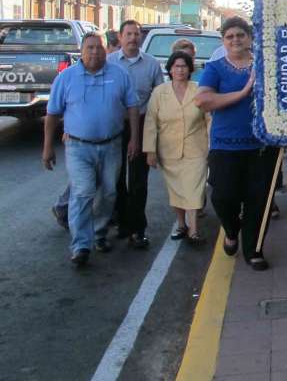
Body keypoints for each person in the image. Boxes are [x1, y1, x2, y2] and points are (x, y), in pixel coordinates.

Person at [42, 32, 139, 267]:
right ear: (82, 51)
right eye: (90, 48)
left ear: (106, 50)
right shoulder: (66, 78)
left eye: (99, 48)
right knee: (83, 192)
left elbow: (133, 107)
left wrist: (134, 139)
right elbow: (53, 114)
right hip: (78, 147)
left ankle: (98, 234)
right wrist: (47, 147)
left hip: (112, 145)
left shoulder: (119, 74)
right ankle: (81, 245)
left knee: (108, 193)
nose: (95, 52)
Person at [195, 17, 275, 271]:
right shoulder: (215, 68)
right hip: (225, 146)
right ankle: (231, 231)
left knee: (258, 200)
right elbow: (203, 100)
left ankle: (254, 250)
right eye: (229, 36)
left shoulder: (264, 66)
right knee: (222, 196)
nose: (235, 40)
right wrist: (242, 94)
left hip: (260, 145)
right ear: (223, 41)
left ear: (249, 38)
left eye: (240, 35)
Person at [109, 20, 165, 249]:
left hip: (142, 124)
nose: (133, 38)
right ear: (120, 37)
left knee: (139, 181)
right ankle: (123, 223)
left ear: (141, 37)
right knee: (116, 179)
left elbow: (159, 96)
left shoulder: (151, 64)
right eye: (129, 34)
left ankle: (138, 229)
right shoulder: (109, 62)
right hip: (113, 125)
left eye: (137, 34)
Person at [144, 51, 209, 245]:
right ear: (170, 69)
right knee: (177, 190)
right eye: (176, 66)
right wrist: (150, 151)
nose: (180, 70)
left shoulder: (198, 90)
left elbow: (209, 118)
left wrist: (213, 145)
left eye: (184, 66)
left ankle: (194, 230)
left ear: (190, 69)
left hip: (196, 149)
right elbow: (150, 122)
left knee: (194, 189)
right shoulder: (159, 93)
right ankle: (181, 224)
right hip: (169, 150)